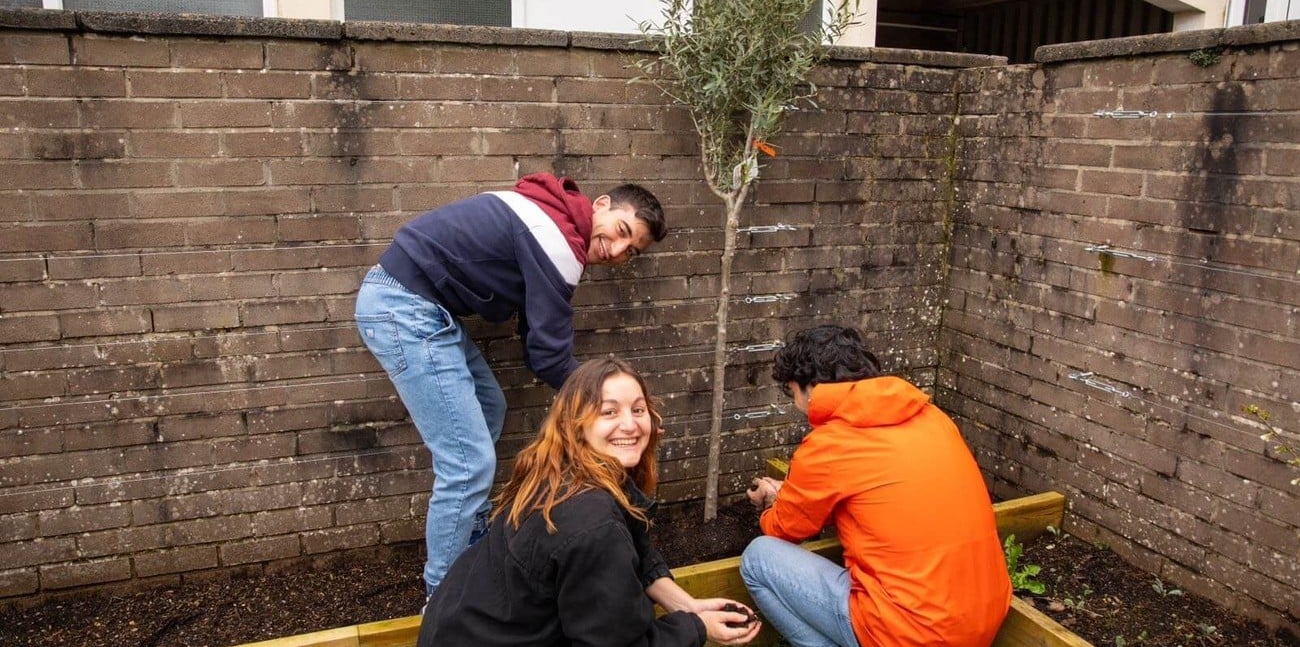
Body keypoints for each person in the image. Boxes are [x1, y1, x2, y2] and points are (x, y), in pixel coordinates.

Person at [354, 173, 667, 597]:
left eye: (631, 251)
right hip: (404, 307)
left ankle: (472, 538)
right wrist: (611, 404)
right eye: (621, 232)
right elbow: (549, 357)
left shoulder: (551, 211)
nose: (616, 251)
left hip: (417, 302)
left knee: (489, 406)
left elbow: (536, 340)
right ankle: (442, 598)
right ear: (601, 205)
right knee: (468, 465)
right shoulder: (557, 242)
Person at [418, 357, 762, 647]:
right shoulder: (591, 522)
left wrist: (688, 606)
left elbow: (637, 548)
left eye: (638, 409)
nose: (630, 424)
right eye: (609, 412)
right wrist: (698, 629)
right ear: (576, 424)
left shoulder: (561, 471)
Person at [741, 325, 1011, 647]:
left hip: (910, 635)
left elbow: (783, 529)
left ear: (809, 386)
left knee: (758, 558)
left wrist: (774, 501)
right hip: (984, 618)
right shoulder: (932, 416)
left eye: (791, 391)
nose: (795, 402)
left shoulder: (829, 443)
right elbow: (879, 496)